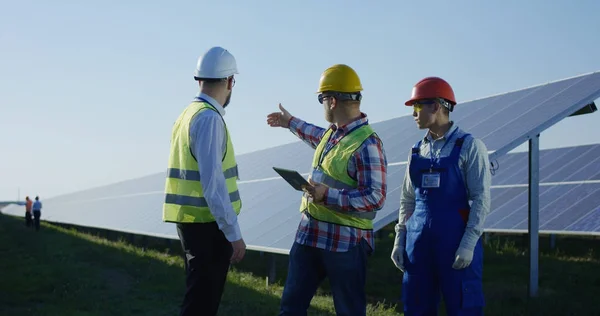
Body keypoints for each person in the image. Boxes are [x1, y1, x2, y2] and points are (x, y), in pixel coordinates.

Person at [267, 64, 388, 316]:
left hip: (345, 244)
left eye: (322, 99)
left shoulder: (367, 143)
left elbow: (376, 198)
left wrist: (327, 195)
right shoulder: (332, 136)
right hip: (310, 235)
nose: (321, 105)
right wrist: (289, 122)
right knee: (290, 308)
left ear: (332, 101)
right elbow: (315, 135)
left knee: (349, 311)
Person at [390, 77, 491, 315]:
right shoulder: (416, 151)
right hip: (418, 243)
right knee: (416, 306)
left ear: (435, 106)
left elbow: (481, 198)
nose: (413, 113)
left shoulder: (470, 146)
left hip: (455, 242)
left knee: (463, 307)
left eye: (417, 106)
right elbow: (407, 199)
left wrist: (469, 243)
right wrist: (400, 238)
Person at [162, 46, 246, 316]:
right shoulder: (209, 119)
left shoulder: (187, 115)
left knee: (198, 299)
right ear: (230, 81)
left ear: (199, 79)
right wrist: (233, 233)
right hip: (209, 227)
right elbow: (214, 186)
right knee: (202, 305)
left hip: (191, 223)